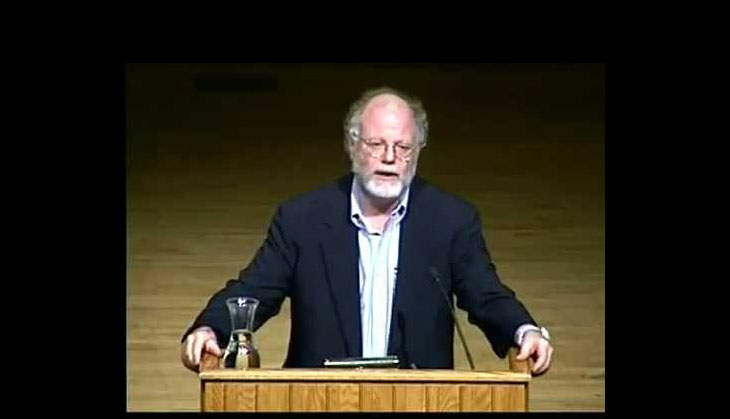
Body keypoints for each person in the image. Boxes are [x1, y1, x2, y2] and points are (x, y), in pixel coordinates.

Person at [181, 87, 553, 374]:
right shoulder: (303, 219)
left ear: (418, 151)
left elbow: (486, 296)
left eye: (403, 147)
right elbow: (253, 291)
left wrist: (525, 331)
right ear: (352, 144)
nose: (390, 158)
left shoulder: (450, 220)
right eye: (377, 144)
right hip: (318, 403)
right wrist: (210, 330)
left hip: (421, 404)